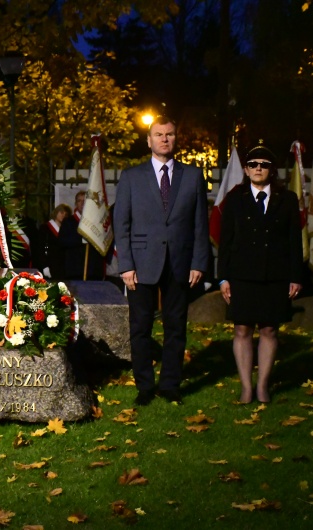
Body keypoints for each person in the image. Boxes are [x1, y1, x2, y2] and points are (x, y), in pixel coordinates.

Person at [114, 116, 209, 405]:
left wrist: (199, 262)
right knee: (140, 327)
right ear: (149, 140)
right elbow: (122, 224)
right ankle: (144, 386)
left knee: (175, 326)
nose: (164, 139)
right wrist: (126, 265)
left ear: (175, 138)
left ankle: (170, 385)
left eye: (169, 134)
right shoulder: (131, 177)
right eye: (158, 134)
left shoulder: (192, 176)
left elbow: (200, 225)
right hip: (141, 263)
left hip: (180, 262)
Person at [218, 140, 302, 404]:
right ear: (245, 169)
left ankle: (263, 386)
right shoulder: (234, 198)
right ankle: (246, 387)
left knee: (269, 331)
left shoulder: (287, 199)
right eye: (253, 164)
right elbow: (225, 241)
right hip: (242, 275)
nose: (258, 169)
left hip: (275, 275)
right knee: (242, 330)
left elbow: (294, 241)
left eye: (264, 165)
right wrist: (223, 278)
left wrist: (296, 276)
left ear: (272, 170)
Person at [59, 190, 106, 280]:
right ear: (76, 204)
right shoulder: (68, 221)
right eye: (79, 201)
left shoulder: (95, 222)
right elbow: (62, 241)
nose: (82, 203)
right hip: (75, 270)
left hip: (93, 271)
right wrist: (80, 240)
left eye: (85, 201)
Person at [35, 204, 71, 279]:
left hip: (62, 267)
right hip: (49, 265)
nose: (63, 215)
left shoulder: (67, 230)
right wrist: (44, 266)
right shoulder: (45, 228)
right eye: (61, 212)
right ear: (56, 212)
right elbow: (40, 248)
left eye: (66, 214)